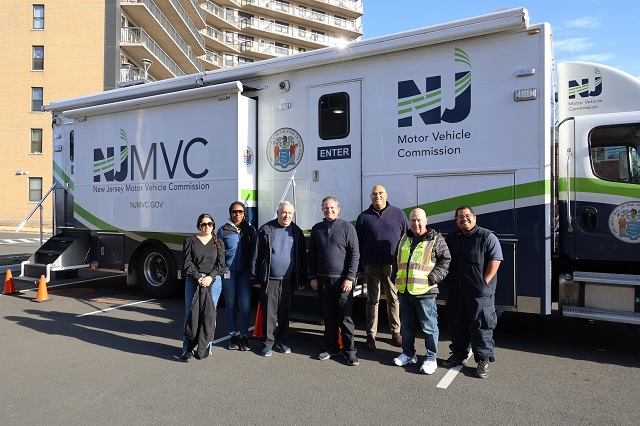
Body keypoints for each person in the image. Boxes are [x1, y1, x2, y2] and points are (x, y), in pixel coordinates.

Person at [442, 206, 503, 379]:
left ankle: (483, 360)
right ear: (456, 221)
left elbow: (496, 259)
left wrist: (485, 281)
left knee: (481, 327)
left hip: (479, 294)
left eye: (468, 216)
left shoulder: (487, 236)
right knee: (457, 325)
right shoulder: (452, 238)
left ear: (475, 218)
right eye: (460, 217)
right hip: (457, 292)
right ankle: (459, 354)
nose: (464, 219)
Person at [392, 208, 450, 374]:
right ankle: (408, 354)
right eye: (413, 220)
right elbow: (396, 259)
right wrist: (395, 276)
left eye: (419, 220)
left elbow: (445, 260)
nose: (416, 223)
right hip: (405, 291)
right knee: (407, 326)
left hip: (425, 291)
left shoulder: (435, 238)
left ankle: (431, 358)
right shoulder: (405, 238)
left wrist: (433, 278)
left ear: (426, 221)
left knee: (429, 327)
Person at [356, 184, 410, 351]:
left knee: (393, 299)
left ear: (386, 195)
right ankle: (371, 335)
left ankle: (396, 332)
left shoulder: (399, 214)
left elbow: (407, 239)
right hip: (371, 265)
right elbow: (358, 244)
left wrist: (404, 265)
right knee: (372, 301)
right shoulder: (363, 217)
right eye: (374, 193)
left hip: (392, 266)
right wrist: (360, 266)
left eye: (380, 193)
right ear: (370, 197)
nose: (377, 196)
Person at [250, 201, 307, 357]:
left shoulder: (296, 231)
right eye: (284, 212)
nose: (286, 215)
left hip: (288, 280)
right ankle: (267, 343)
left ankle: (282, 341)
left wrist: (302, 279)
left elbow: (302, 256)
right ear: (278, 212)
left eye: (290, 213)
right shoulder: (266, 229)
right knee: (269, 313)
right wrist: (255, 277)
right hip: (270, 279)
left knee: (284, 312)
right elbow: (256, 255)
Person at [308, 196, 360, 366]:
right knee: (329, 316)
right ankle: (331, 348)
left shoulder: (347, 227)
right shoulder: (317, 229)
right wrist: (313, 277)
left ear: (338, 209)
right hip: (323, 281)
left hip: (343, 281)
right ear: (322, 210)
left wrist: (350, 278)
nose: (329, 210)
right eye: (326, 208)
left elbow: (354, 254)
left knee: (345, 318)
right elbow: (312, 255)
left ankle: (349, 351)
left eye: (332, 208)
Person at [182, 213, 225, 360]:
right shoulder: (190, 241)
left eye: (209, 224)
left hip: (213, 282)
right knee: (190, 314)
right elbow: (187, 263)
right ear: (199, 226)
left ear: (213, 225)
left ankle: (206, 348)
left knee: (209, 315)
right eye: (203, 224)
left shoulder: (218, 242)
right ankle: (187, 348)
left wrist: (210, 277)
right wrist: (199, 278)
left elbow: (221, 264)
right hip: (194, 281)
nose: (207, 227)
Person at [218, 201, 257, 352]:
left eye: (240, 211)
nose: (237, 214)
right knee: (230, 304)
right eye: (234, 211)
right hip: (229, 272)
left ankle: (244, 336)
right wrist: (221, 269)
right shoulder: (223, 230)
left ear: (244, 213)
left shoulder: (250, 229)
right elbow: (218, 252)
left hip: (245, 273)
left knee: (245, 305)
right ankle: (232, 335)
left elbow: (255, 251)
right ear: (230, 213)